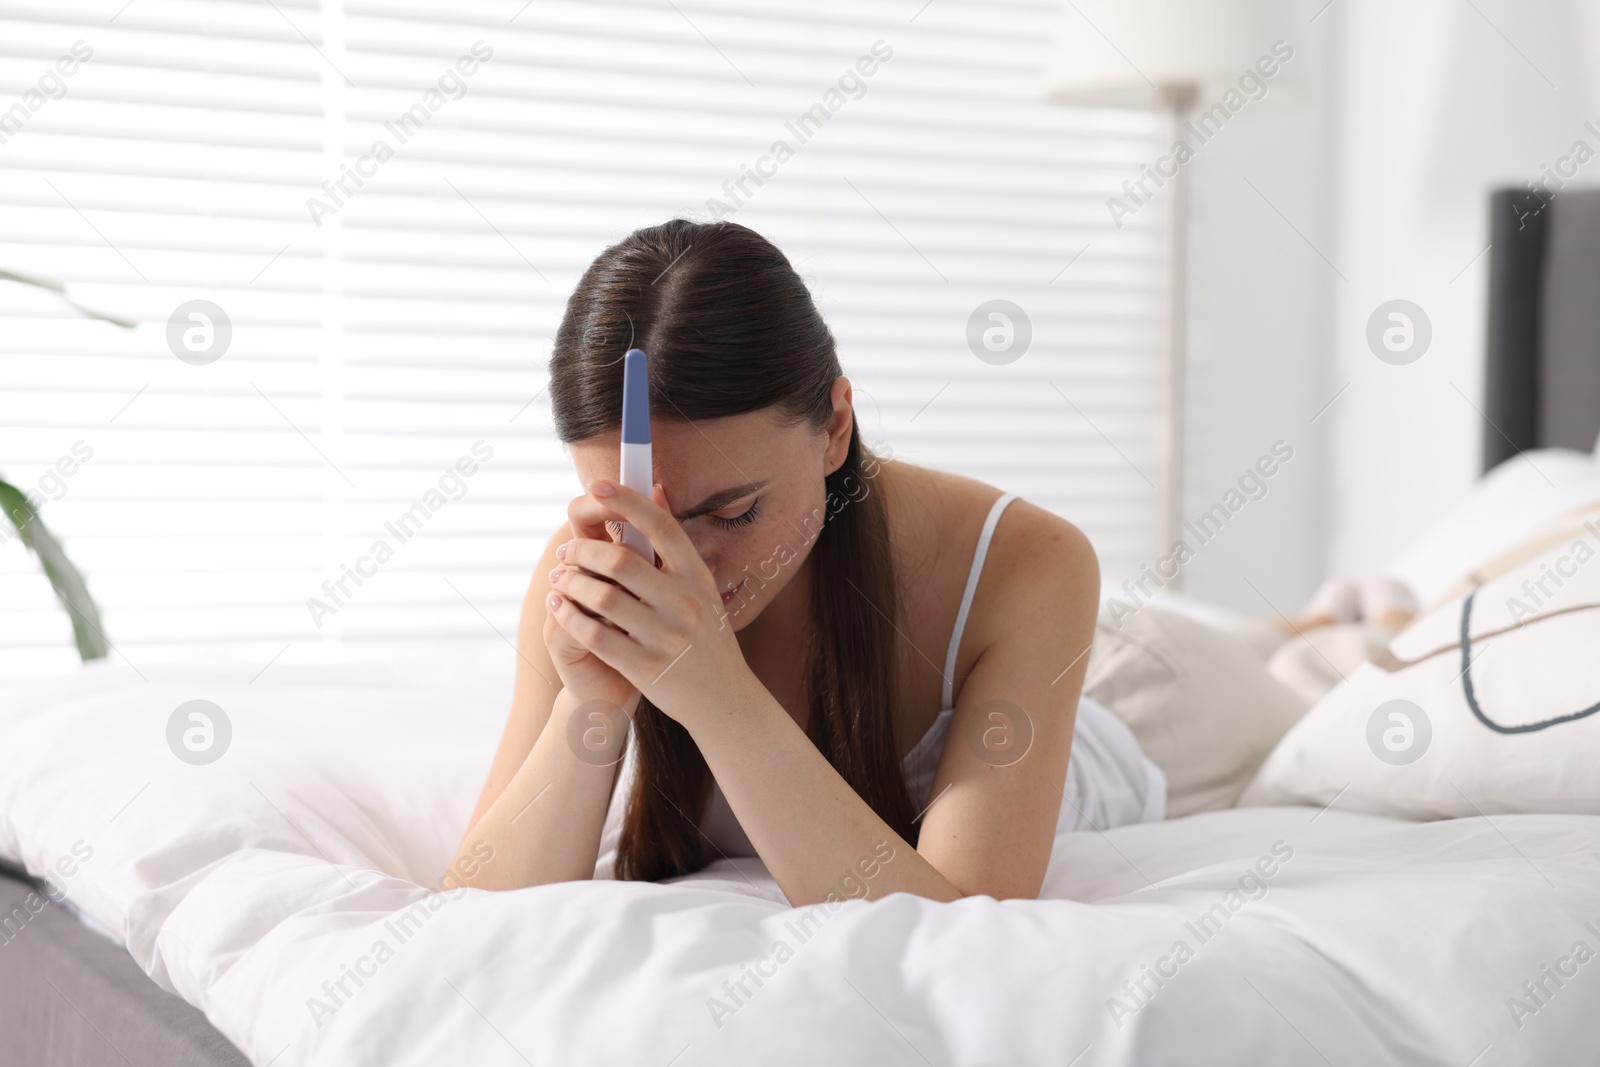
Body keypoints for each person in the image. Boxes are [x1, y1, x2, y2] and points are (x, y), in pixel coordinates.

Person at [445, 218, 1164, 906]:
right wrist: (592, 701)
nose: (681, 566)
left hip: (1112, 734)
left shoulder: (1031, 562)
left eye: (732, 512)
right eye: (644, 519)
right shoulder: (596, 571)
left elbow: (961, 927)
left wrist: (716, 693)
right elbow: (475, 914)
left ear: (836, 427)